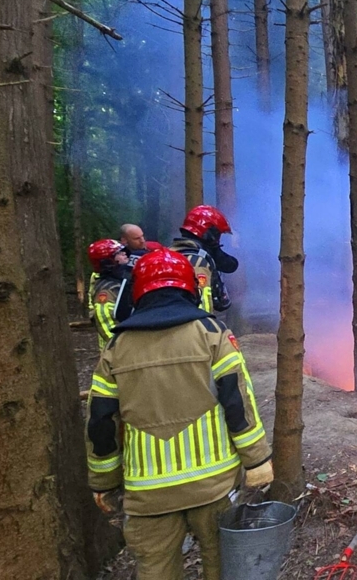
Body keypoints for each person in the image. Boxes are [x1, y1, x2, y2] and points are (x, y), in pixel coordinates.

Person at [85, 248, 272, 580]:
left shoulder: (115, 349)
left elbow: (100, 421)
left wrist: (103, 482)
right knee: (223, 567)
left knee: (155, 570)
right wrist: (256, 460)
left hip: (147, 496)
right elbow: (237, 402)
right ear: (190, 287)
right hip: (213, 487)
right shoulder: (211, 334)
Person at [171, 205, 239, 313]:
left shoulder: (168, 255)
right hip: (193, 324)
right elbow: (205, 305)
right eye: (218, 236)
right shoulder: (199, 262)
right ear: (210, 234)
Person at [87, 239, 133, 349]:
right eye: (119, 253)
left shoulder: (119, 279)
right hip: (117, 354)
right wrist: (124, 348)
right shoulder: (106, 290)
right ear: (107, 262)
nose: (124, 254)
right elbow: (107, 326)